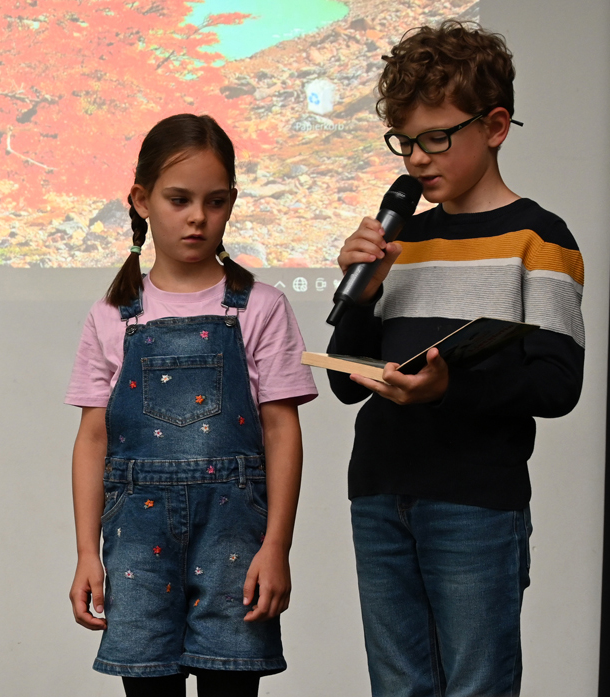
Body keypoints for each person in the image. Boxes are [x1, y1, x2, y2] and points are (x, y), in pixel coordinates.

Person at [326, 21, 584, 697]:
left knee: (476, 686)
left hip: (474, 500)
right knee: (397, 687)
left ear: (494, 126)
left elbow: (558, 384)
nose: (416, 158)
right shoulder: (399, 239)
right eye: (404, 141)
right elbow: (349, 385)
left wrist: (447, 390)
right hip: (379, 491)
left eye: (435, 138)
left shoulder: (539, 237)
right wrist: (360, 295)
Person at [65, 114, 317, 697]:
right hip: (136, 546)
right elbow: (93, 439)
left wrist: (277, 546)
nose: (198, 217)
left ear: (232, 203)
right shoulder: (111, 315)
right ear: (141, 200)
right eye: (179, 200)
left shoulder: (262, 307)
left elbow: (282, 432)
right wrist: (86, 553)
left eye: (215, 201)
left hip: (235, 544)